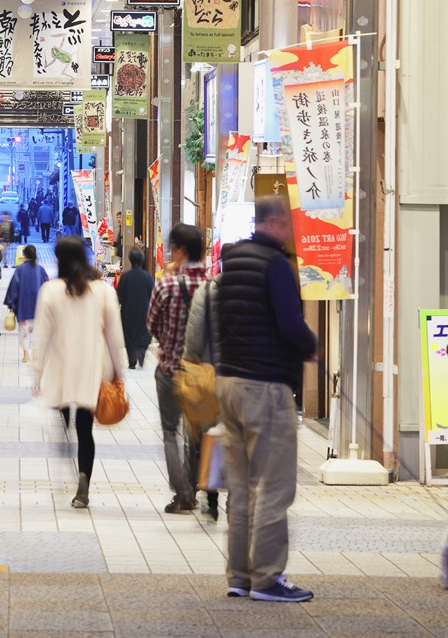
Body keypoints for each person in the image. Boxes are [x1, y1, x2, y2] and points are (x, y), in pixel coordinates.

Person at [214, 196, 317, 603]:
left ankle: (239, 576)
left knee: (240, 487)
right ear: (275, 223)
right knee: (274, 487)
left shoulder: (232, 262)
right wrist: (311, 345)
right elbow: (291, 323)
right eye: (287, 224)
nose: (289, 232)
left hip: (230, 382)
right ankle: (268, 578)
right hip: (265, 385)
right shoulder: (275, 264)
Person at [33, 236, 126, 508]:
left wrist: (37, 374)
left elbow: (41, 337)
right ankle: (83, 482)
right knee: (85, 430)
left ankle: (65, 447)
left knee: (65, 421)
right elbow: (115, 336)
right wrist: (120, 373)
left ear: (59, 260)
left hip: (61, 372)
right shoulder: (103, 290)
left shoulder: (50, 290)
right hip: (93, 371)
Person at [147, 223, 210, 514]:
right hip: (202, 373)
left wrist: (167, 341)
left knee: (171, 431)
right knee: (197, 432)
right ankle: (194, 488)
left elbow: (151, 323)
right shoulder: (213, 284)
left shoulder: (167, 284)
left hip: (170, 368)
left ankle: (183, 494)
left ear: (181, 251)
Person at [182, 243, 235, 522]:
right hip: (242, 378)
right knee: (239, 435)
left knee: (210, 434)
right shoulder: (255, 292)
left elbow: (194, 338)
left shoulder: (208, 289)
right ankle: (237, 498)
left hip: (211, 375)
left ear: (220, 261)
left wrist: (192, 361)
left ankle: (212, 499)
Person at [5, 244, 50, 362]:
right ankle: (35, 353)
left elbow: (14, 288)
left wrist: (11, 304)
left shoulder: (20, 270)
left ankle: (26, 355)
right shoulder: (41, 269)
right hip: (39, 306)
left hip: (23, 306)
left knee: (24, 331)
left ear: (24, 255)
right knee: (37, 331)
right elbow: (47, 286)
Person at [116, 248, 154, 369]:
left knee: (129, 334)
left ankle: (132, 360)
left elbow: (119, 296)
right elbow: (153, 295)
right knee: (144, 332)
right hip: (145, 311)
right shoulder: (148, 277)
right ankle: (141, 351)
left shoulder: (125, 277)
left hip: (128, 311)